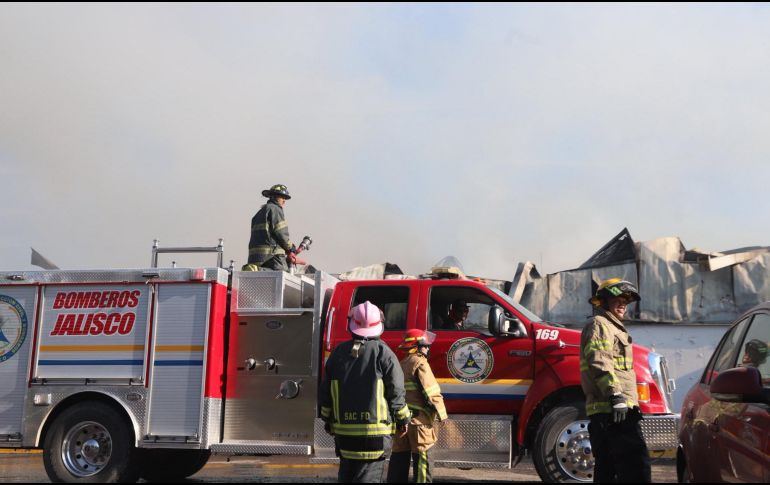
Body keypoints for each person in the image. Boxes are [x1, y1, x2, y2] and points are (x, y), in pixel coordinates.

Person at [318, 301, 411, 483]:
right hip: (374, 437)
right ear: (380, 324)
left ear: (351, 324)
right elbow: (396, 391)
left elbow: (326, 393)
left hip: (344, 436)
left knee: (346, 476)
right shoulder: (384, 353)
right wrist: (403, 419)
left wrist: (327, 420)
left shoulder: (338, 353)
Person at [581, 278, 651, 483]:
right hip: (614, 410)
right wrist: (616, 395)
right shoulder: (600, 324)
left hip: (613, 410)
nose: (623, 305)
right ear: (603, 301)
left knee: (608, 469)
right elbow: (599, 361)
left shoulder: (612, 327)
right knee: (636, 467)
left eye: (625, 301)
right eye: (617, 300)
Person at [387, 329, 447, 484]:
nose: (427, 348)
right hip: (420, 424)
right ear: (417, 347)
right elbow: (431, 392)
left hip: (402, 423)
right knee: (423, 462)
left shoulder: (401, 364)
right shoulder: (420, 363)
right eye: (425, 345)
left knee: (399, 460)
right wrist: (442, 414)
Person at [243, 184, 297, 272]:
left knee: (264, 277)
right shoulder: (275, 209)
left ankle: (255, 269)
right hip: (271, 255)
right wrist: (291, 248)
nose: (284, 201)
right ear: (274, 197)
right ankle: (258, 270)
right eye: (282, 197)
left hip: (255, 257)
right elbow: (281, 233)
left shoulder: (259, 213)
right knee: (282, 272)